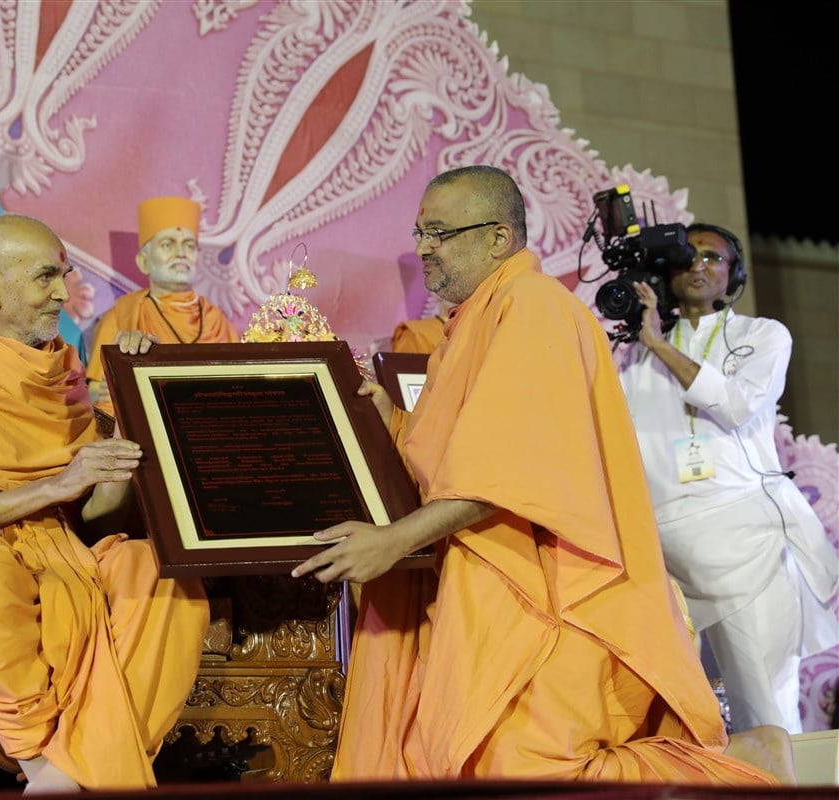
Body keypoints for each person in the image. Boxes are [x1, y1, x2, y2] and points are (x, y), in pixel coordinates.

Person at [291, 166, 782, 784]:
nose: (424, 248)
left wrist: (393, 541)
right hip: (490, 576)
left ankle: (749, 760)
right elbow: (455, 455)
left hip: (556, 587)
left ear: (499, 237)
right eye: (420, 232)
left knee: (528, 767)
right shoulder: (471, 322)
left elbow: (509, 469)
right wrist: (393, 419)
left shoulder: (532, 304)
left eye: (440, 232)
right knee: (466, 760)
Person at [0, 213, 210, 793]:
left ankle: (63, 778)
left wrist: (134, 394)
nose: (63, 293)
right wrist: (55, 486)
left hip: (66, 547)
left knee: (160, 574)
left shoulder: (64, 368)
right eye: (45, 276)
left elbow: (97, 518)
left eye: (64, 275)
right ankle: (49, 764)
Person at [618, 222, 837, 734]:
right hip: (667, 553)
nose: (699, 266)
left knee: (765, 709)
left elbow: (736, 406)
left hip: (747, 542)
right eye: (686, 256)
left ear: (734, 273)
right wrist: (647, 341)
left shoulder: (762, 335)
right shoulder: (633, 355)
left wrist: (660, 346)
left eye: (713, 257)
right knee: (684, 720)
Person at [84, 196, 238, 408]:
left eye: (189, 246)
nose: (181, 254)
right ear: (144, 262)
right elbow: (95, 393)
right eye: (168, 245)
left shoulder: (218, 322)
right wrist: (115, 390)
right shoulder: (121, 316)